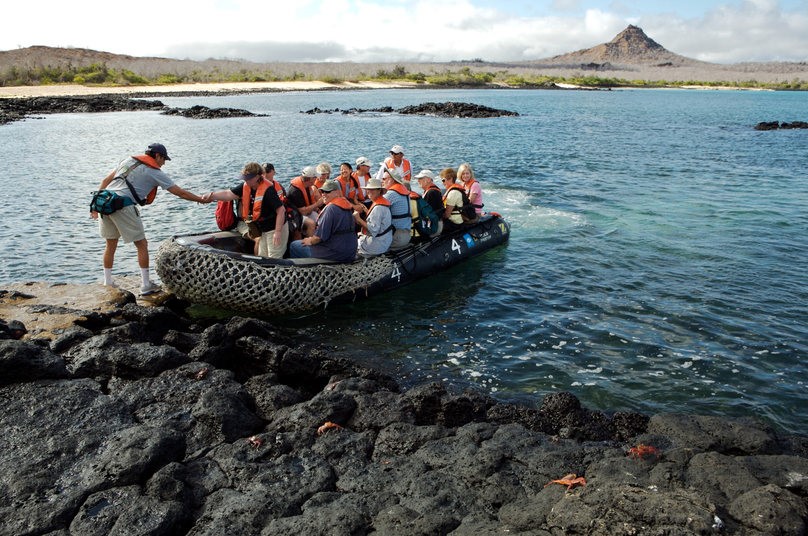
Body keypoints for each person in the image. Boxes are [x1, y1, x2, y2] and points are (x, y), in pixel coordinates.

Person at [94, 142, 209, 295]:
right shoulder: (155, 172)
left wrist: (95, 206)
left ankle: (108, 281)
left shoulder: (127, 161)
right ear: (157, 155)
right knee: (142, 244)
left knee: (110, 244)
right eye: (164, 159)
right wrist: (201, 199)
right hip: (123, 206)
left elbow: (104, 182)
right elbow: (180, 192)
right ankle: (145, 285)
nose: (164, 163)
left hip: (105, 203)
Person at [205, 162, 288, 258]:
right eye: (245, 178)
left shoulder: (268, 190)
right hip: (263, 229)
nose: (246, 180)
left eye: (248, 178)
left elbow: (281, 210)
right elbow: (228, 194)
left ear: (257, 177)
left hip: (275, 227)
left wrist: (277, 232)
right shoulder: (246, 186)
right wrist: (211, 196)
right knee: (263, 256)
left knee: (274, 258)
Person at [288, 180, 357, 262]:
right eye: (322, 191)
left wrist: (309, 240)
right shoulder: (347, 206)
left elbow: (318, 238)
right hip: (350, 251)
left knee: (294, 245)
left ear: (337, 192)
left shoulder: (331, 209)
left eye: (327, 191)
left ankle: (306, 272)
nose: (323, 194)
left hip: (336, 253)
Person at [355, 178, 393, 257]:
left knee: (351, 243)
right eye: (368, 189)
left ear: (379, 191)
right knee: (359, 235)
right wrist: (367, 211)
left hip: (378, 245)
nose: (369, 191)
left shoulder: (378, 208)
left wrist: (358, 219)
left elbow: (373, 230)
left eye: (372, 189)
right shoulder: (381, 203)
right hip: (385, 240)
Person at [287, 166, 326, 237]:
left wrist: (318, 210)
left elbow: (310, 205)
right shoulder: (295, 191)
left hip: (307, 211)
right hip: (296, 215)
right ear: (310, 179)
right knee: (311, 223)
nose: (316, 179)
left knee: (322, 219)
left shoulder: (308, 186)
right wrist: (318, 203)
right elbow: (303, 211)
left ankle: (321, 239)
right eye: (315, 177)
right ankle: (311, 244)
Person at [382, 169, 412, 249]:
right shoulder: (405, 192)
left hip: (396, 238)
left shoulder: (390, 194)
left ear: (391, 180)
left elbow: (377, 212)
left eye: (384, 179)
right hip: (407, 235)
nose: (382, 181)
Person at [414, 169, 444, 236]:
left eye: (420, 178)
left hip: (434, 227)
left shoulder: (431, 193)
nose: (418, 181)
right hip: (436, 224)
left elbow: (426, 213)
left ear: (428, 179)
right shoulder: (432, 191)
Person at [440, 167, 465, 233]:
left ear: (450, 179)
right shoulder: (451, 190)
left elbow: (447, 215)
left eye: (443, 180)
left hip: (455, 223)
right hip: (455, 220)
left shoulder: (453, 193)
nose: (442, 183)